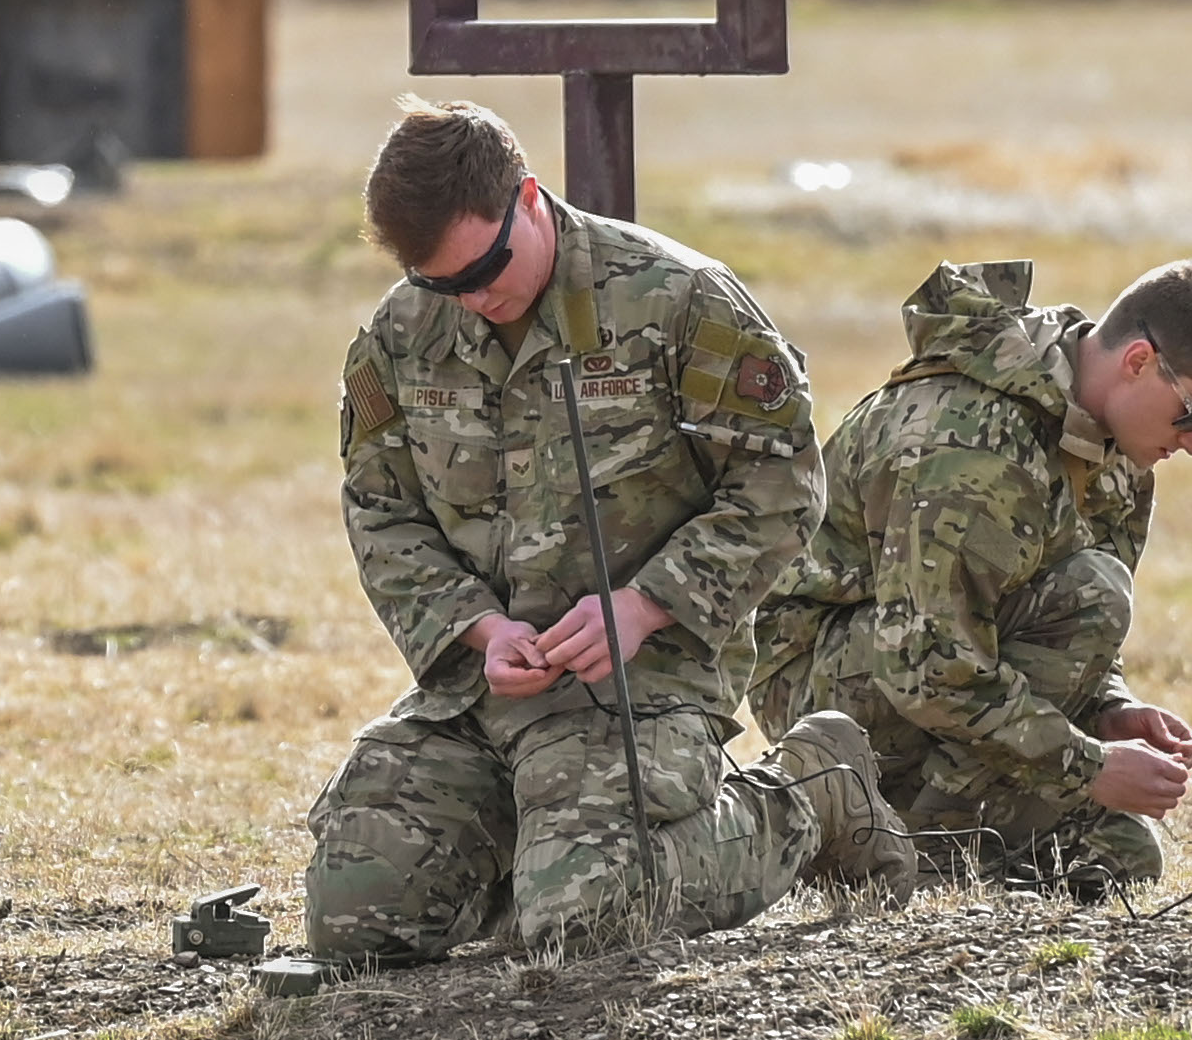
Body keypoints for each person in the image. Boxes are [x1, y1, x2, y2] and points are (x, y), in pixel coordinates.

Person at [301, 98, 903, 971]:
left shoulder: (677, 300)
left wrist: (644, 606)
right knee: (354, 919)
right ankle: (545, 850)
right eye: (442, 283)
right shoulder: (403, 334)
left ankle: (809, 791)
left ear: (529, 198)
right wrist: (479, 628)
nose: (474, 298)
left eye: (487, 267)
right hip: (480, 693)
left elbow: (782, 484)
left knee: (588, 922)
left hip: (639, 684)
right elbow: (380, 510)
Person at [750, 256, 1192, 899]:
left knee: (1124, 856)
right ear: (1138, 362)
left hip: (929, 667)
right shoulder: (971, 444)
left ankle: (944, 835)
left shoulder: (1112, 446)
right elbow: (926, 665)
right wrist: (1088, 767)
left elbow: (1049, 614)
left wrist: (1109, 707)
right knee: (1097, 593)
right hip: (826, 679)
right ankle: (906, 840)